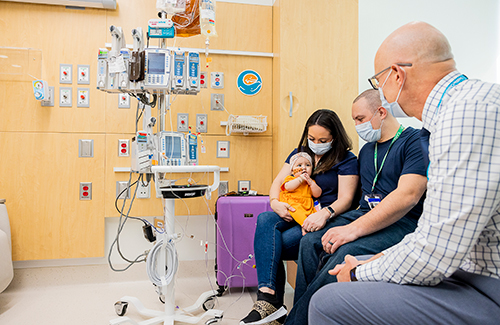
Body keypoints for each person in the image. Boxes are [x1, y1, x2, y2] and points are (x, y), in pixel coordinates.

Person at [309, 21, 500, 325]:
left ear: (396, 75)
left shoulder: (464, 117)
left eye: (377, 83)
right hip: (465, 264)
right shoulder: (462, 110)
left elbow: (437, 250)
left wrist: (359, 272)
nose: (379, 94)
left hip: (484, 281)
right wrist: (378, 261)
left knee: (329, 302)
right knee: (341, 255)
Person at [283, 89, 428, 325]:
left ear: (381, 112)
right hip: (363, 213)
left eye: (360, 119)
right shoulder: (367, 149)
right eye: (355, 121)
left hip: (402, 220)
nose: (357, 125)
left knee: (342, 250)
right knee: (310, 241)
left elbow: (408, 196)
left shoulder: (414, 142)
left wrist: (351, 230)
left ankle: (297, 321)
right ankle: (310, 315)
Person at [240, 109, 359, 325]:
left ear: (335, 137)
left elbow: (346, 199)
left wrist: (324, 214)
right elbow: (278, 182)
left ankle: (273, 305)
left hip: (320, 217)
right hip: (293, 210)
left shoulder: (346, 159)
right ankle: (267, 297)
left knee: (274, 244)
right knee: (265, 219)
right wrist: (275, 203)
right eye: (312, 138)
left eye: (323, 140)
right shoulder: (300, 153)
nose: (316, 143)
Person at [280, 152, 322, 226]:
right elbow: (288, 187)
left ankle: (310, 225)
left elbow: (317, 194)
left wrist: (311, 183)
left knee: (315, 215)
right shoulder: (290, 178)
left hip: (308, 205)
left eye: (308, 165)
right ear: (292, 171)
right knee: (298, 213)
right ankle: (304, 226)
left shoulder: (310, 182)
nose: (304, 168)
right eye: (299, 165)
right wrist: (300, 179)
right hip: (294, 204)